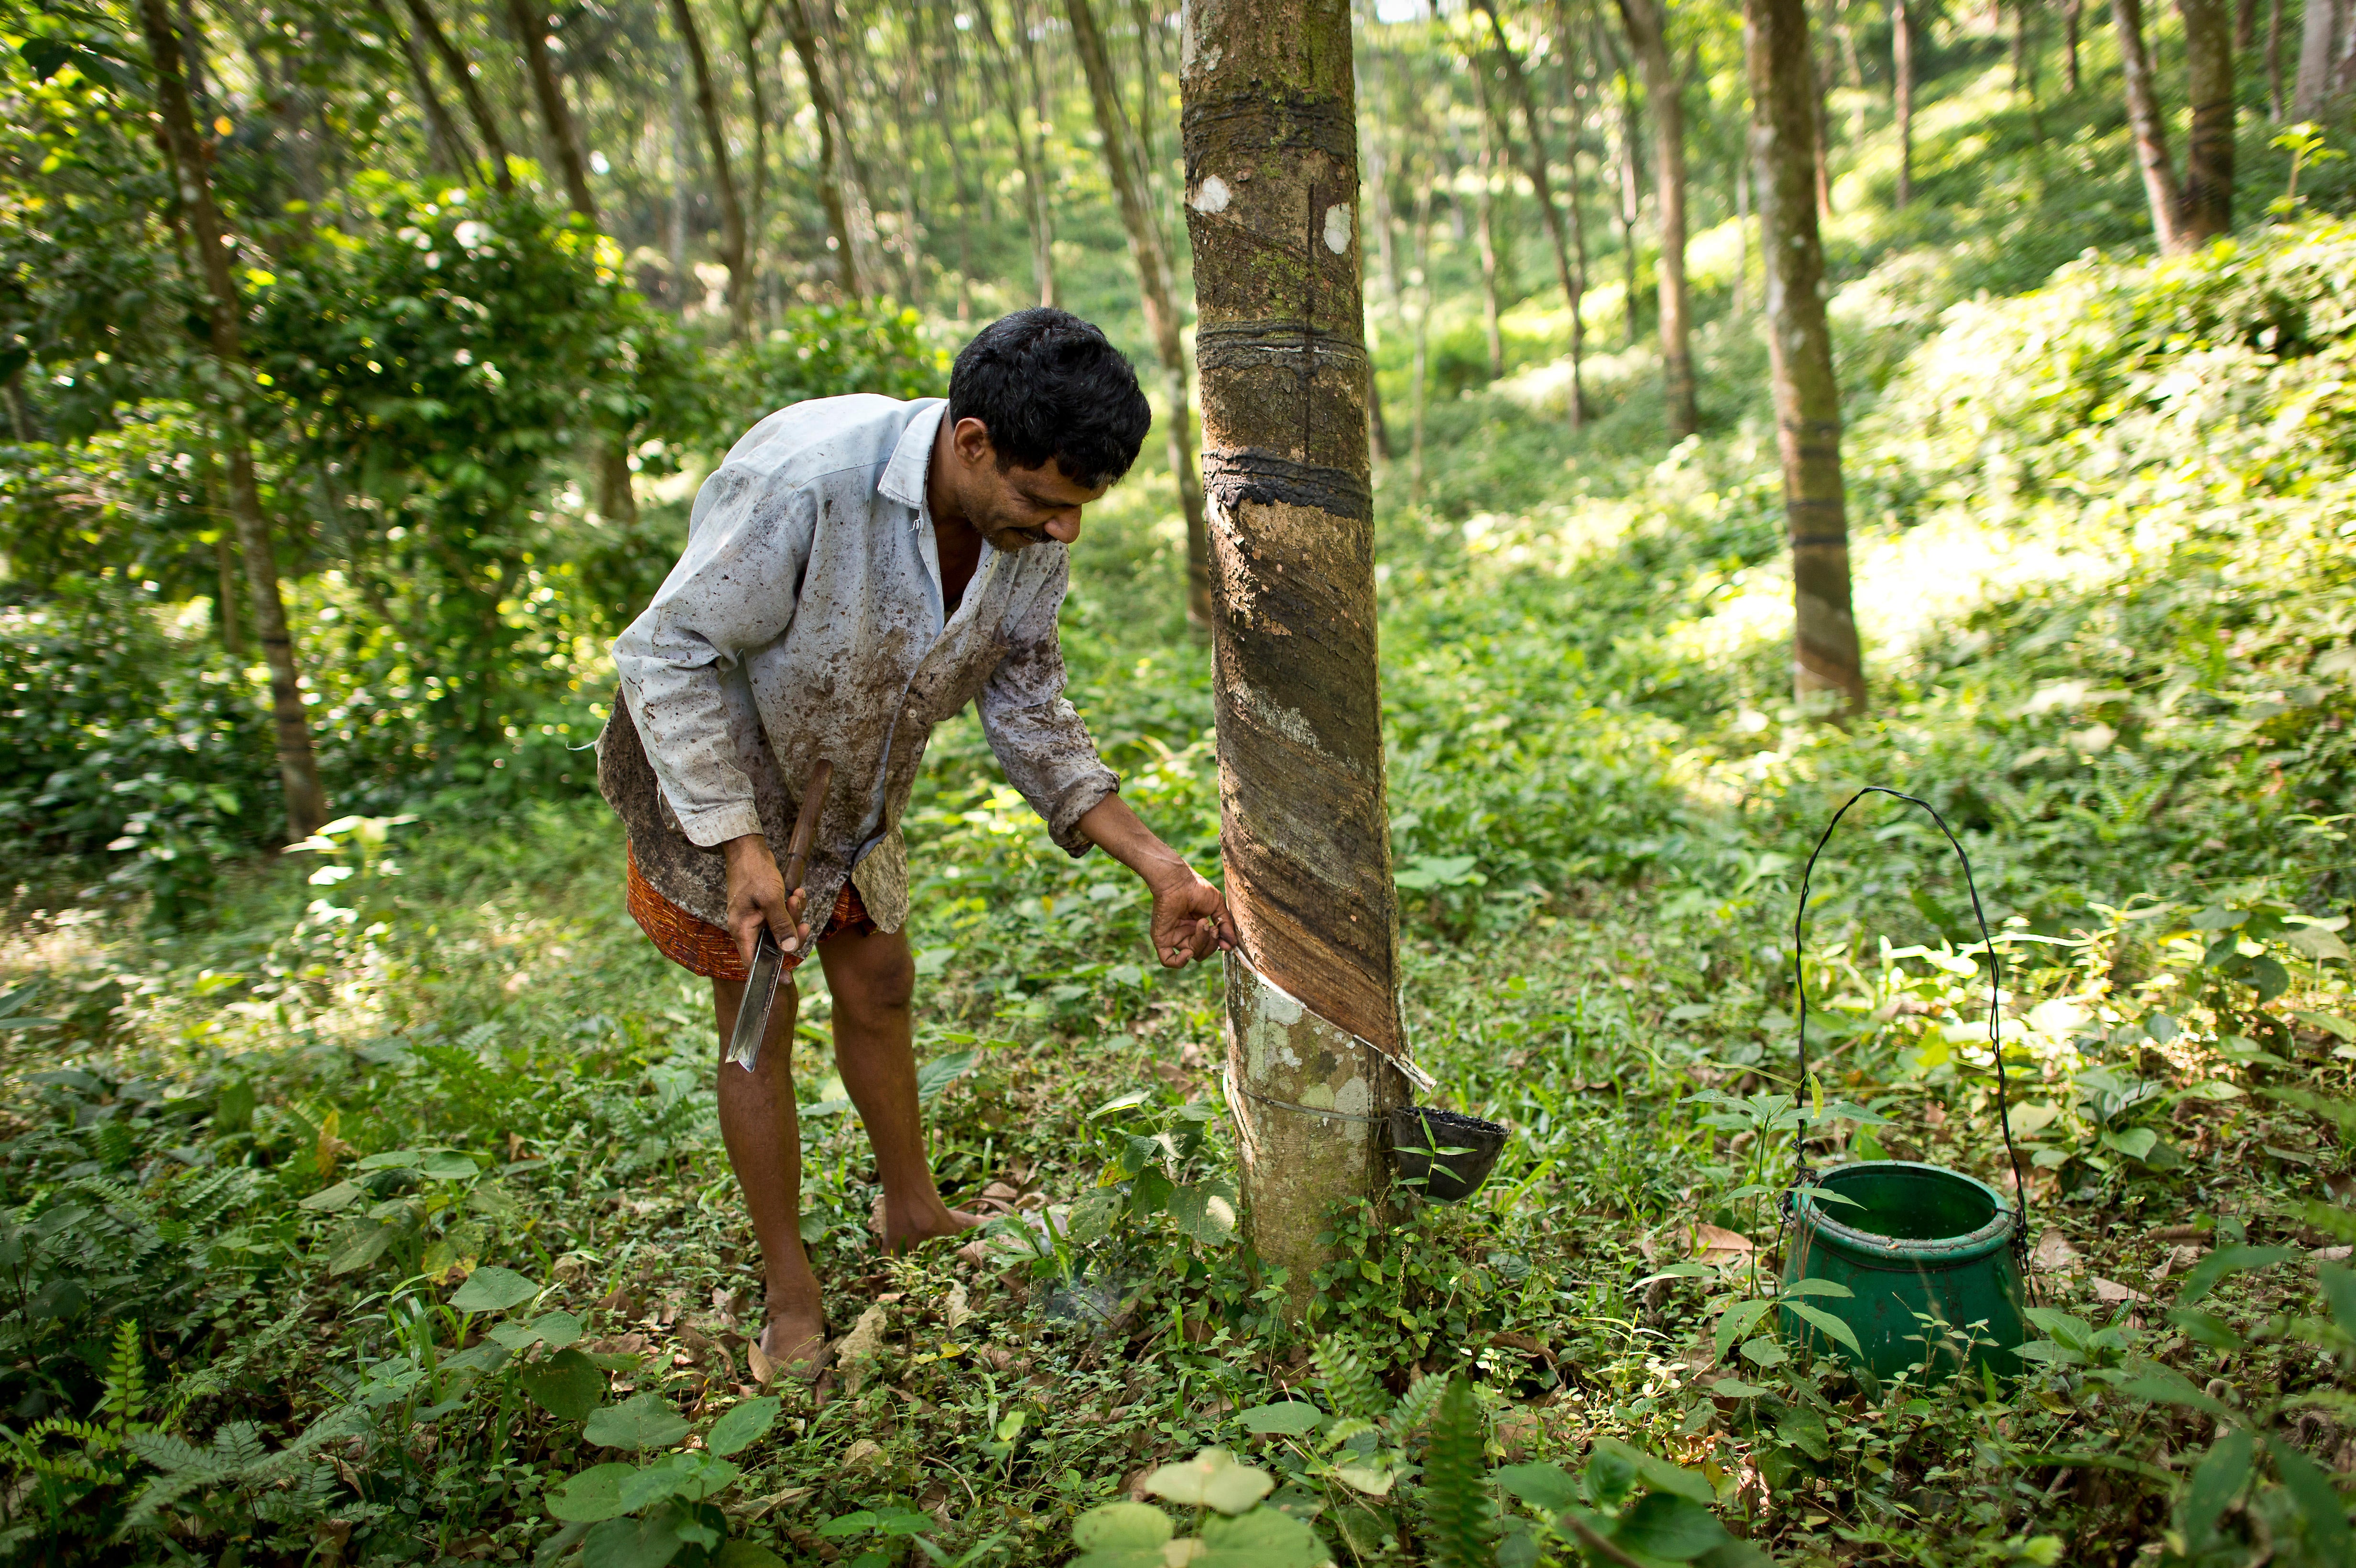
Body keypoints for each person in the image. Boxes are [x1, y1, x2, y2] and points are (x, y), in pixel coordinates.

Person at [598, 308, 1235, 1376]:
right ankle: (789, 1288)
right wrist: (741, 848)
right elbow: (666, 653)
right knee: (755, 1013)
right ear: (973, 441)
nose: (1063, 531)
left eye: (1081, 510)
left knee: (881, 975)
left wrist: (1162, 865)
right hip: (717, 776)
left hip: (853, 781)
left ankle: (914, 1209)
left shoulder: (1023, 536)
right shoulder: (808, 480)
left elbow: (1029, 708)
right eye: (1044, 502)